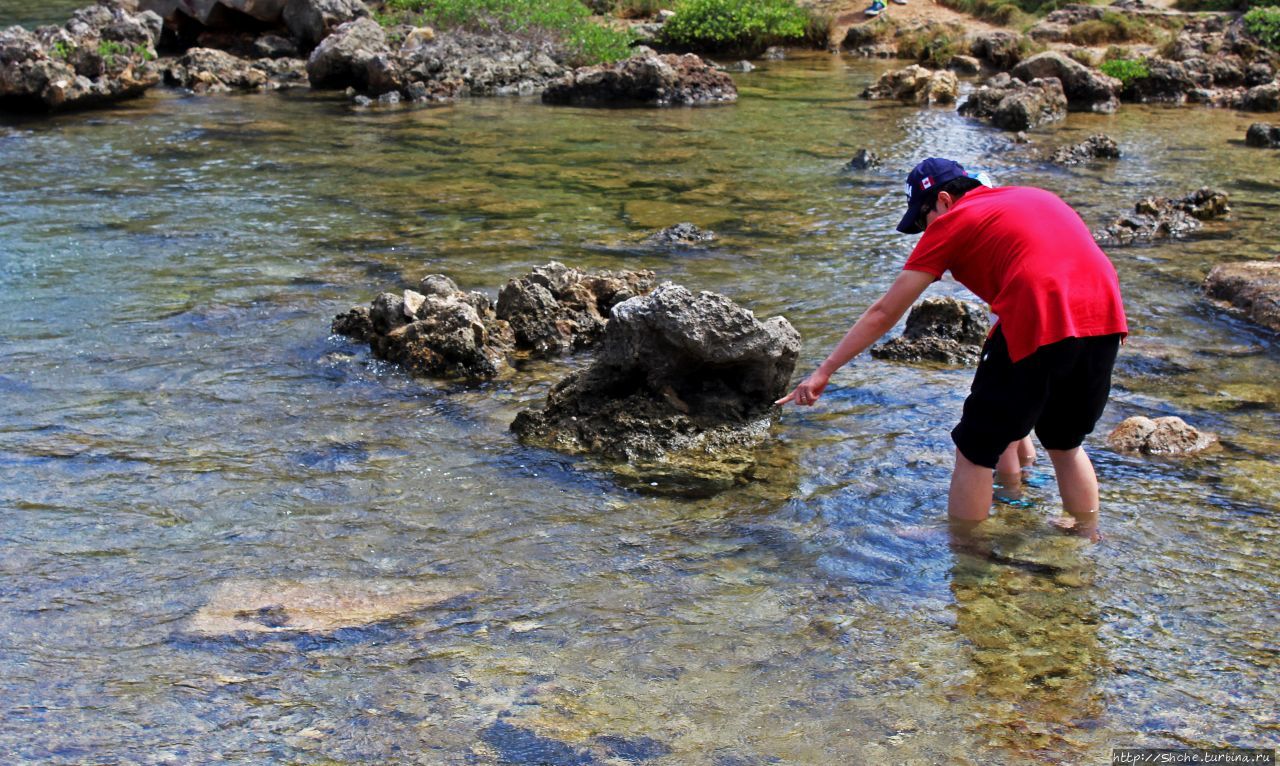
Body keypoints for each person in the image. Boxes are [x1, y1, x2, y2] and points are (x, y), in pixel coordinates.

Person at [776, 158, 1128, 540]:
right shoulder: (1034, 197)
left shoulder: (951, 221)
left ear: (943, 200)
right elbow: (1053, 267)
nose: (923, 232)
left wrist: (824, 371)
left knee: (975, 449)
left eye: (921, 220)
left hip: (1041, 317)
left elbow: (884, 312)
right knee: (1066, 443)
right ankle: (1084, 539)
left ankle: (967, 553)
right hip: (1106, 318)